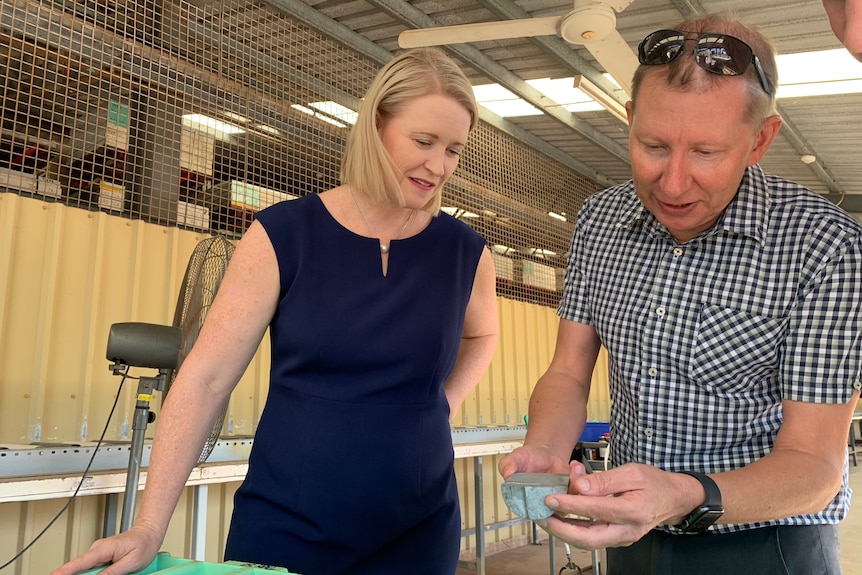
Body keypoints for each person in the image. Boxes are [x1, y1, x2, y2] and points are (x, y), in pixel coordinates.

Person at [52, 47, 499, 575]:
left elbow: (482, 337)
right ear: (376, 127)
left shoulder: (466, 252)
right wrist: (149, 526)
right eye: (423, 142)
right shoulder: (283, 235)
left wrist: (438, 407)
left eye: (454, 150)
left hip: (418, 526)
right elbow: (204, 380)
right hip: (291, 522)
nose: (438, 165)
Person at [499, 14, 862, 575]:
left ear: (760, 140)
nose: (671, 183)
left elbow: (814, 468)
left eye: (706, 153)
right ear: (628, 121)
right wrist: (546, 449)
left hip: (767, 544)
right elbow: (569, 372)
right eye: (653, 145)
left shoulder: (825, 247)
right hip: (631, 534)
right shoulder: (600, 220)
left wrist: (685, 495)